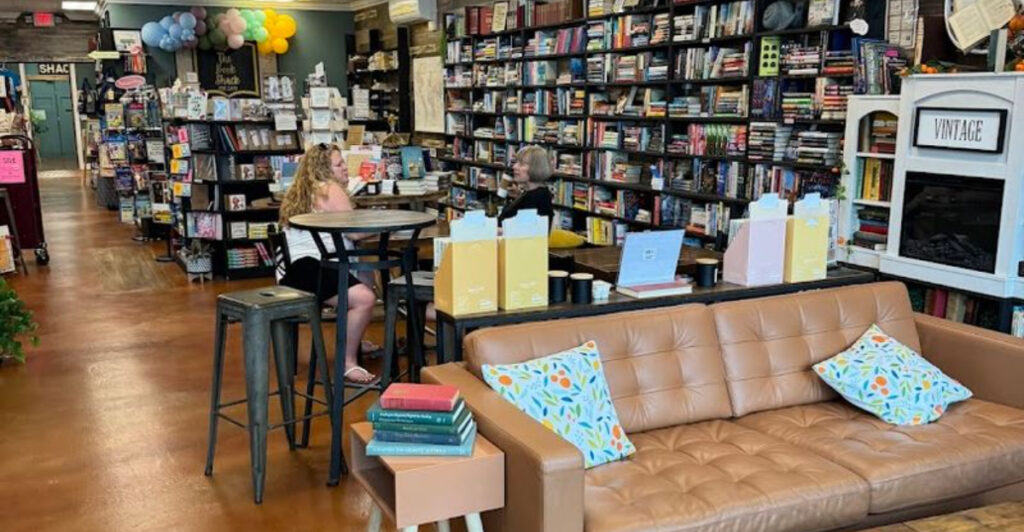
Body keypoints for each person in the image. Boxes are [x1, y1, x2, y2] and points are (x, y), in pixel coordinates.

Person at [278, 144, 378, 384]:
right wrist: (382, 226)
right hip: (313, 268)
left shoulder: (304, 190)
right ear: (324, 169)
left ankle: (354, 339)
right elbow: (354, 232)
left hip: (293, 269)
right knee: (365, 298)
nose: (345, 168)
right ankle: (347, 362)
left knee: (366, 276)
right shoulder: (330, 189)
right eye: (339, 164)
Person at [498, 145, 554, 225]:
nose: (514, 167)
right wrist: (518, 196)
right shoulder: (531, 192)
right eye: (516, 162)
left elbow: (522, 229)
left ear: (535, 168)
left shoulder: (538, 198)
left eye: (521, 164)